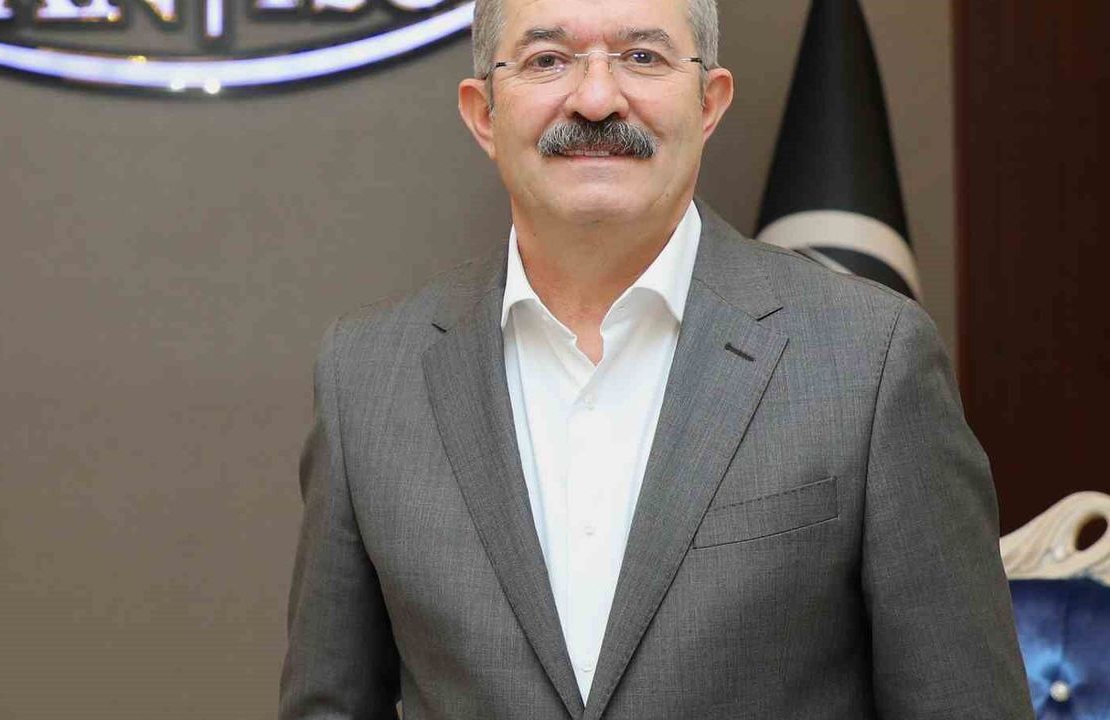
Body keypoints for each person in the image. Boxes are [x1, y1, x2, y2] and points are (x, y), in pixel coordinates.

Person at [278, 0, 1032, 717]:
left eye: (642, 57)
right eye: (547, 60)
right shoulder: (367, 378)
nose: (596, 100)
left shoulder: (870, 360)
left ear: (709, 103)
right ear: (484, 113)